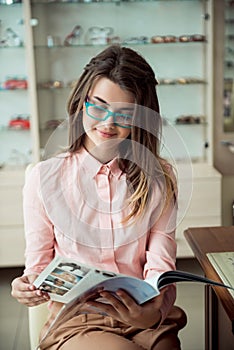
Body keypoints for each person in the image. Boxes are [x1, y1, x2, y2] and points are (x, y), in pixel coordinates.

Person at [11, 44, 187, 350]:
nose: (108, 123)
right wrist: (27, 287)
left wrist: (152, 311)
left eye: (124, 114)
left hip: (142, 314)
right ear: (82, 104)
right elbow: (38, 268)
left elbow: (161, 262)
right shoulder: (44, 178)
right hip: (78, 318)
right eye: (99, 106)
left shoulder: (159, 178)